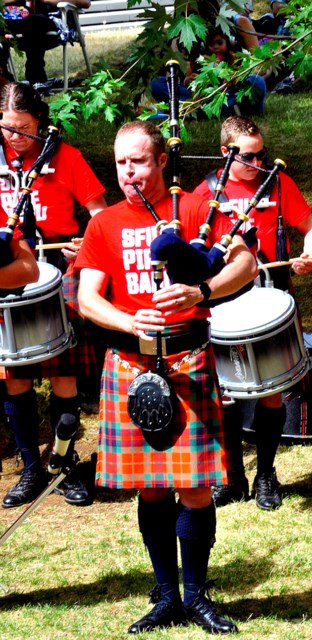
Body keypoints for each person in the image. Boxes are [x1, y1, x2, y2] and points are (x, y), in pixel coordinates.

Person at [76, 121, 257, 634]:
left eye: (136, 161)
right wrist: (128, 320)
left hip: (187, 360)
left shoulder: (196, 209)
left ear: (159, 161)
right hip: (131, 365)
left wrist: (202, 292)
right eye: (119, 163)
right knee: (150, 488)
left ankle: (197, 595)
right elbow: (89, 299)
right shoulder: (104, 224)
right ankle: (165, 596)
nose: (127, 172)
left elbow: (246, 262)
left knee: (195, 487)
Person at [193, 115, 312, 511]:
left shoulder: (279, 182)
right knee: (226, 396)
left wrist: (308, 255)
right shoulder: (204, 193)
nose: (259, 162)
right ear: (225, 153)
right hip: (226, 303)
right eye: (249, 156)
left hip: (271, 300)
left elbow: (311, 228)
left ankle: (266, 474)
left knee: (272, 392)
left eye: (262, 153)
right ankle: (231, 475)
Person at [0, 82, 106, 509]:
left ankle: (63, 464)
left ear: (39, 122)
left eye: (23, 129)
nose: (13, 137)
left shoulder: (66, 157)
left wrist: (85, 242)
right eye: (6, 127)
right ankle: (30, 468)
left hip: (59, 271)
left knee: (64, 376)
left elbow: (100, 215)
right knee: (16, 375)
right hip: (8, 272)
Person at [1, 0, 90, 89]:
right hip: (18, 22)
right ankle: (3, 78)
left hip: (55, 25)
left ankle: (37, 81)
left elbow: (85, 2)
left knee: (33, 21)